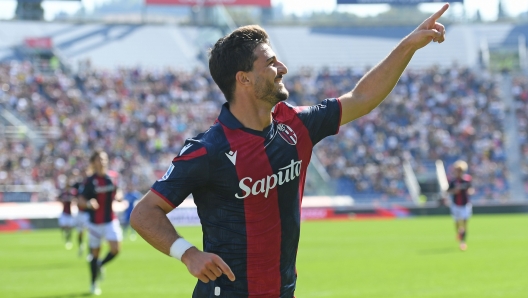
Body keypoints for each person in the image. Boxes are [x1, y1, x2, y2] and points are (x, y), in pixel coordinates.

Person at [131, 4, 449, 297]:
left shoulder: (295, 124)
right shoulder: (208, 149)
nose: (282, 67)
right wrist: (188, 253)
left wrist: (409, 44)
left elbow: (362, 98)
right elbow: (144, 213)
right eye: (270, 62)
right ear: (244, 79)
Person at [79, 150, 123, 295]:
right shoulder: (89, 181)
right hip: (94, 223)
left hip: (110, 220)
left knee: (116, 249)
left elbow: (118, 191)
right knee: (95, 253)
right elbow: (80, 200)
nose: (102, 162)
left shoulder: (113, 177)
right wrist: (89, 203)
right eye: (99, 159)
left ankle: (100, 265)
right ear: (93, 162)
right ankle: (93, 284)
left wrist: (119, 196)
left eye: (104, 159)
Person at [447, 160, 474, 251]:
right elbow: (448, 190)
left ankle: (463, 242)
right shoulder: (453, 181)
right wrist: (454, 191)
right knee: (458, 224)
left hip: (465, 204)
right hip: (456, 205)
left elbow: (471, 189)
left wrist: (470, 191)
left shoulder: (467, 179)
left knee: (465, 223)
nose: (458, 172)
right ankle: (459, 233)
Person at [71, 169, 90, 258]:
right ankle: (81, 246)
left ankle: (91, 252)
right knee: (80, 232)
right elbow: (72, 192)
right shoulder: (78, 184)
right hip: (79, 212)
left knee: (91, 232)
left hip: (88, 213)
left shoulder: (91, 184)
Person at [57, 185, 75, 250]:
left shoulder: (71, 194)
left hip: (69, 213)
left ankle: (68, 239)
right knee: (63, 226)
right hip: (64, 213)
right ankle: (64, 235)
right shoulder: (63, 193)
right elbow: (58, 198)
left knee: (69, 228)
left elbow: (74, 199)